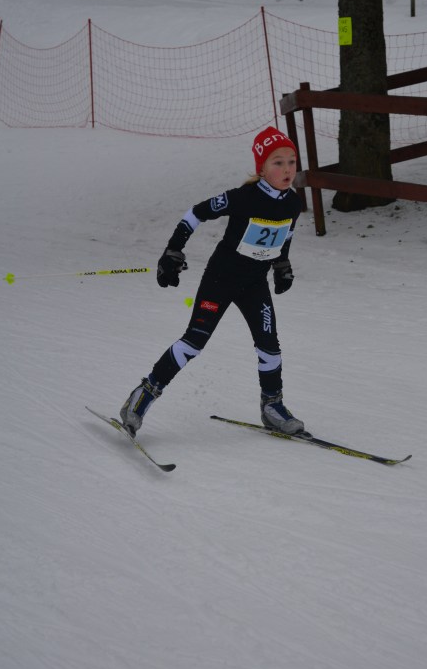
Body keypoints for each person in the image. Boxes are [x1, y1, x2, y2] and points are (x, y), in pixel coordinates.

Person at [119, 127, 305, 438]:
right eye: (278, 162)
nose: (287, 169)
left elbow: (286, 235)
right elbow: (196, 213)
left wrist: (282, 264)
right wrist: (173, 250)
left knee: (270, 347)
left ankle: (272, 406)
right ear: (261, 169)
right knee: (193, 343)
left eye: (292, 161)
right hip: (221, 279)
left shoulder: (293, 203)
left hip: (254, 284)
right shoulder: (243, 197)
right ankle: (143, 395)